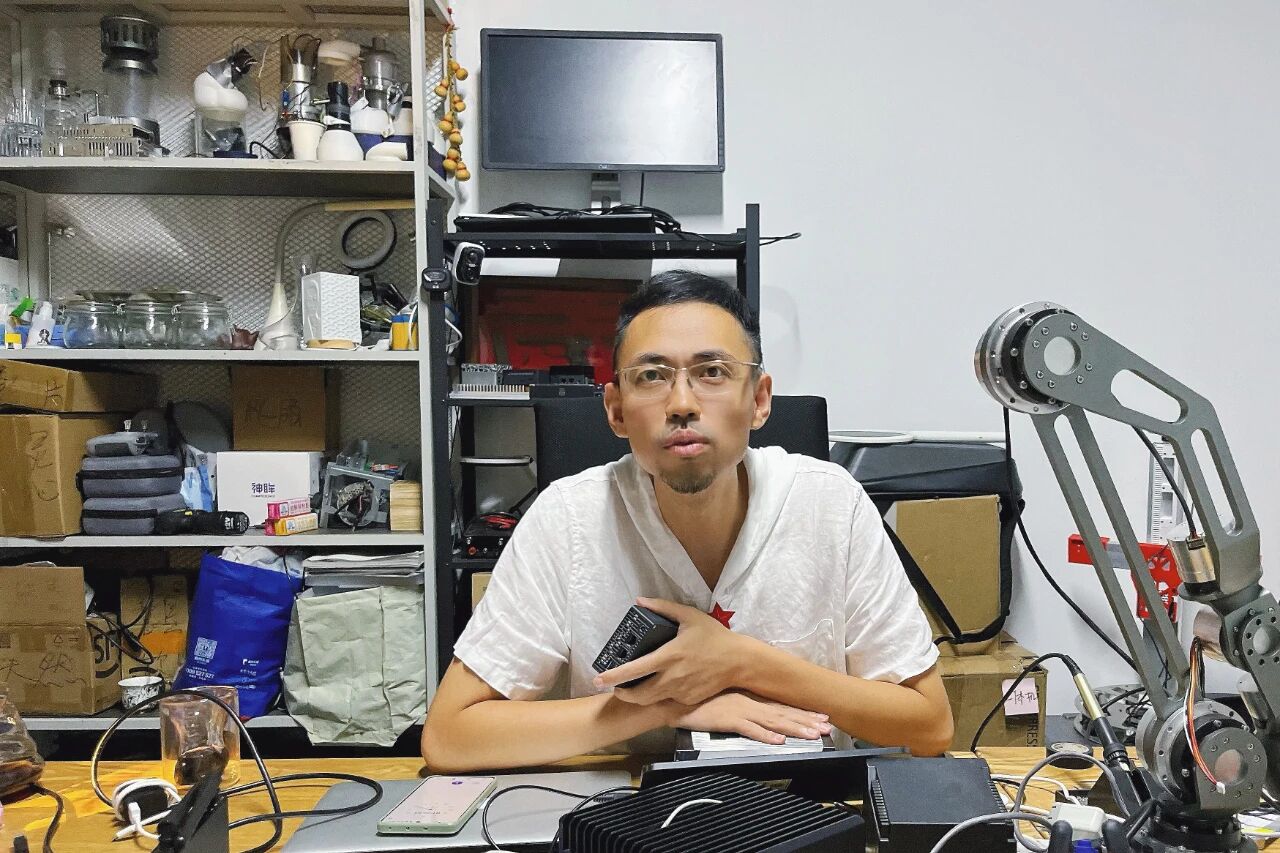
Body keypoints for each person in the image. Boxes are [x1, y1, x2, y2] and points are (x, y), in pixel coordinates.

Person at [421, 270, 952, 771]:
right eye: (651, 376)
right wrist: (667, 703)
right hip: (622, 806)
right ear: (616, 410)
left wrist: (739, 662)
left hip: (806, 799)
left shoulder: (830, 503)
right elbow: (449, 738)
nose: (681, 403)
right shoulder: (568, 519)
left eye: (712, 372)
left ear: (759, 400)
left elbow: (929, 726)